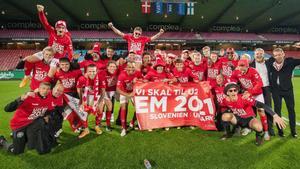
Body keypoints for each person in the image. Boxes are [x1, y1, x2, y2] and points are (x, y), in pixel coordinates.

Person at [19, 4, 74, 87]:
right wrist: (41, 12)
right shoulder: (52, 32)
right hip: (47, 52)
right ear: (56, 28)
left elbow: (70, 53)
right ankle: (26, 76)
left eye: (63, 28)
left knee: (51, 72)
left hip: (56, 58)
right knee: (29, 59)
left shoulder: (68, 39)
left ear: (65, 29)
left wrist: (66, 62)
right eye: (59, 27)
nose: (60, 29)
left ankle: (43, 86)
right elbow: (45, 22)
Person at [220, 83, 286, 145]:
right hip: (237, 119)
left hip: (248, 119)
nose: (233, 92)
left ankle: (259, 136)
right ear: (227, 93)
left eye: (235, 90)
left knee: (259, 127)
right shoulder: (225, 100)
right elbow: (221, 106)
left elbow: (261, 105)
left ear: (237, 91)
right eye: (230, 91)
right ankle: (227, 133)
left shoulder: (244, 98)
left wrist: (275, 115)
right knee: (225, 116)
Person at [0, 82, 55, 154]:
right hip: (19, 125)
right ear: (39, 89)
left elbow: (50, 110)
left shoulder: (49, 98)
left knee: (41, 121)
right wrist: (21, 98)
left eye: (48, 89)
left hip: (32, 123)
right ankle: (2, 141)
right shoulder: (30, 97)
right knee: (16, 151)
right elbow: (7, 109)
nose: (45, 91)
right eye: (43, 88)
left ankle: (30, 140)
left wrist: (48, 116)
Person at [231, 59, 270, 140]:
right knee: (246, 112)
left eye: (243, 66)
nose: (241, 68)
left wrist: (250, 92)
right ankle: (248, 127)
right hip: (246, 94)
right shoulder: (237, 71)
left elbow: (260, 83)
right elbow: (232, 79)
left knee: (261, 111)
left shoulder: (253, 71)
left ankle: (266, 131)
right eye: (239, 66)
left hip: (257, 94)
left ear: (247, 66)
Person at [267, 48, 300, 138]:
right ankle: (280, 131)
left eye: (279, 54)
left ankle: (293, 132)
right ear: (273, 56)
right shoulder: (270, 62)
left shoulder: (290, 61)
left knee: (291, 110)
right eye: (275, 55)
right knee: (277, 111)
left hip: (288, 90)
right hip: (275, 91)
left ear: (283, 54)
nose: (278, 56)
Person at [76, 64, 106, 138]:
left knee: (100, 110)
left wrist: (99, 102)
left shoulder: (101, 78)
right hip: (86, 96)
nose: (92, 73)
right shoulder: (82, 78)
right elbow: (78, 89)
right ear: (86, 71)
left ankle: (97, 126)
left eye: (94, 71)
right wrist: (81, 100)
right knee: (83, 112)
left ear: (97, 71)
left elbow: (103, 92)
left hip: (98, 96)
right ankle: (86, 129)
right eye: (90, 71)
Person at [250, 48, 274, 136]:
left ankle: (269, 128)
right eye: (257, 54)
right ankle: (252, 127)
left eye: (260, 54)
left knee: (268, 108)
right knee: (253, 108)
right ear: (254, 55)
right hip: (255, 89)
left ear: (263, 54)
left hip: (266, 88)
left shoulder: (268, 63)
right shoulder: (251, 65)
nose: (259, 55)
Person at [117, 61, 143, 136]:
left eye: (133, 67)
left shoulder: (137, 73)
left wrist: (138, 80)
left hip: (133, 92)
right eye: (129, 67)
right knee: (124, 107)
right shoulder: (122, 75)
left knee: (138, 108)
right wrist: (128, 95)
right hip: (124, 92)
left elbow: (144, 80)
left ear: (135, 68)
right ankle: (123, 128)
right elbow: (118, 89)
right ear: (126, 67)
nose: (131, 69)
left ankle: (132, 122)